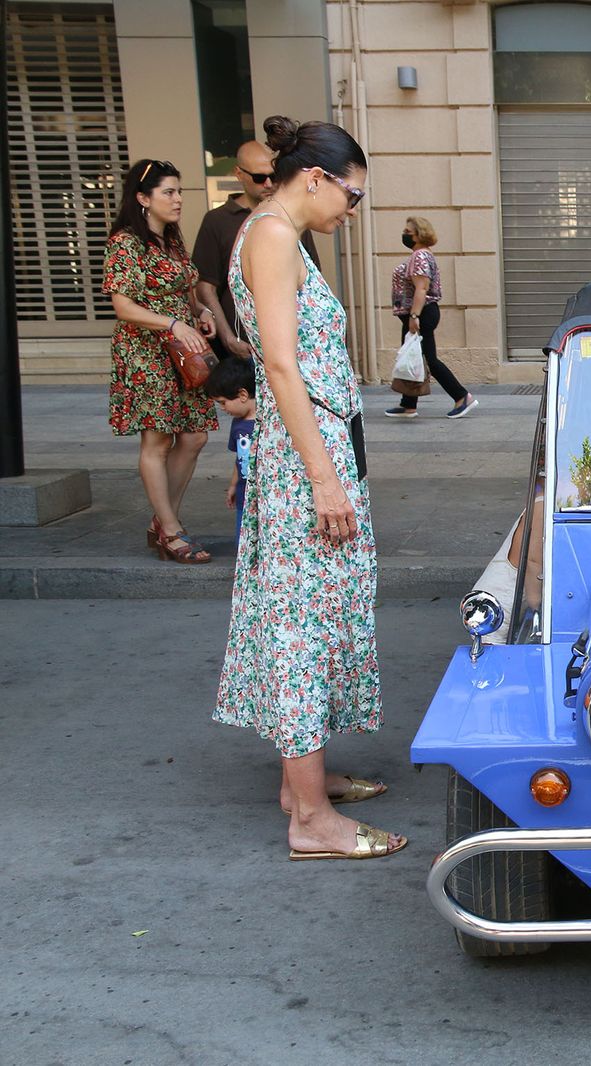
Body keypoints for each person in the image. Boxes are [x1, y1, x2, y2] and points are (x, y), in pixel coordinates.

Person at [215, 114, 404, 861]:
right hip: (307, 458)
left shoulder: (281, 236)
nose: (352, 211)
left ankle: (304, 785)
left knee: (313, 614)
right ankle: (312, 819)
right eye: (352, 196)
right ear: (316, 178)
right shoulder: (270, 236)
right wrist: (322, 478)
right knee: (303, 624)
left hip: (309, 449)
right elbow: (281, 366)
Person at [104, 159, 219, 564]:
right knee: (157, 440)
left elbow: (186, 288)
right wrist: (172, 323)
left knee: (194, 436)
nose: (177, 199)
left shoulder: (171, 239)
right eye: (168, 192)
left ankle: (162, 519)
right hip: (145, 352)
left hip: (183, 352)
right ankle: (170, 529)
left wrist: (200, 311)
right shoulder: (125, 243)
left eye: (179, 191)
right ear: (143, 198)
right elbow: (123, 307)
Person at [193, 140, 321, 361]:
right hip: (242, 347)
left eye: (274, 176)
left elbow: (313, 279)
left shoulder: (290, 217)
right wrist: (228, 338)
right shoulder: (217, 221)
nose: (268, 183)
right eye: (259, 178)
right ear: (239, 174)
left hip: (292, 342)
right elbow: (206, 287)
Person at [383, 216, 475, 419]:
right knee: (412, 356)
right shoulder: (421, 255)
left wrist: (414, 315)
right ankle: (408, 404)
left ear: (420, 235)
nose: (404, 235)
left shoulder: (420, 256)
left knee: (429, 360)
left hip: (421, 313)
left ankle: (461, 396)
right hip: (418, 313)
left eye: (408, 232)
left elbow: (421, 288)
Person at [204, 357, 257, 541]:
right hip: (244, 495)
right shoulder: (238, 424)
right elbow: (239, 459)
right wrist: (234, 485)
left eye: (223, 402)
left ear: (242, 395)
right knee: (242, 540)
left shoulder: (266, 423)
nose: (223, 408)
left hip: (265, 495)